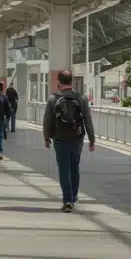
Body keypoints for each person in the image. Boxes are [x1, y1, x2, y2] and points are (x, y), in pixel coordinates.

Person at [43, 71, 95, 212]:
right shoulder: (81, 98)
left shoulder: (53, 99)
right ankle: (73, 196)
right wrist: (92, 139)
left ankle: (67, 200)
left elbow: (47, 120)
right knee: (74, 167)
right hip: (77, 138)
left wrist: (46, 137)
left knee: (64, 169)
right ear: (71, 81)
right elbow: (87, 120)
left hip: (59, 138)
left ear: (59, 82)